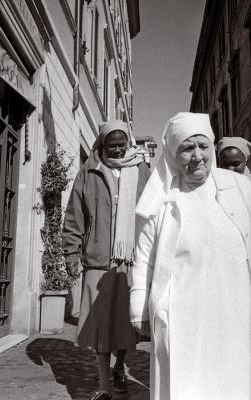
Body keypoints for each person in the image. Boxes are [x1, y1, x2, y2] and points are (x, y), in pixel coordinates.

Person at [130, 112, 251, 400]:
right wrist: (139, 306)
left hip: (232, 309)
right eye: (187, 148)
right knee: (183, 384)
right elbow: (144, 255)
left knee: (231, 379)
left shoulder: (241, 188)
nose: (197, 156)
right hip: (179, 313)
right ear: (173, 154)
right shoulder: (160, 200)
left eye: (203, 146)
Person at [62, 120, 150, 400]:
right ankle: (103, 383)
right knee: (100, 326)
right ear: (101, 144)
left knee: (127, 323)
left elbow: (153, 215)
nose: (116, 149)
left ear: (128, 142)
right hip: (98, 260)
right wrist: (71, 252)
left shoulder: (141, 169)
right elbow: (74, 215)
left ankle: (120, 367)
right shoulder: (88, 172)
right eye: (111, 145)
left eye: (121, 144)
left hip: (131, 260)